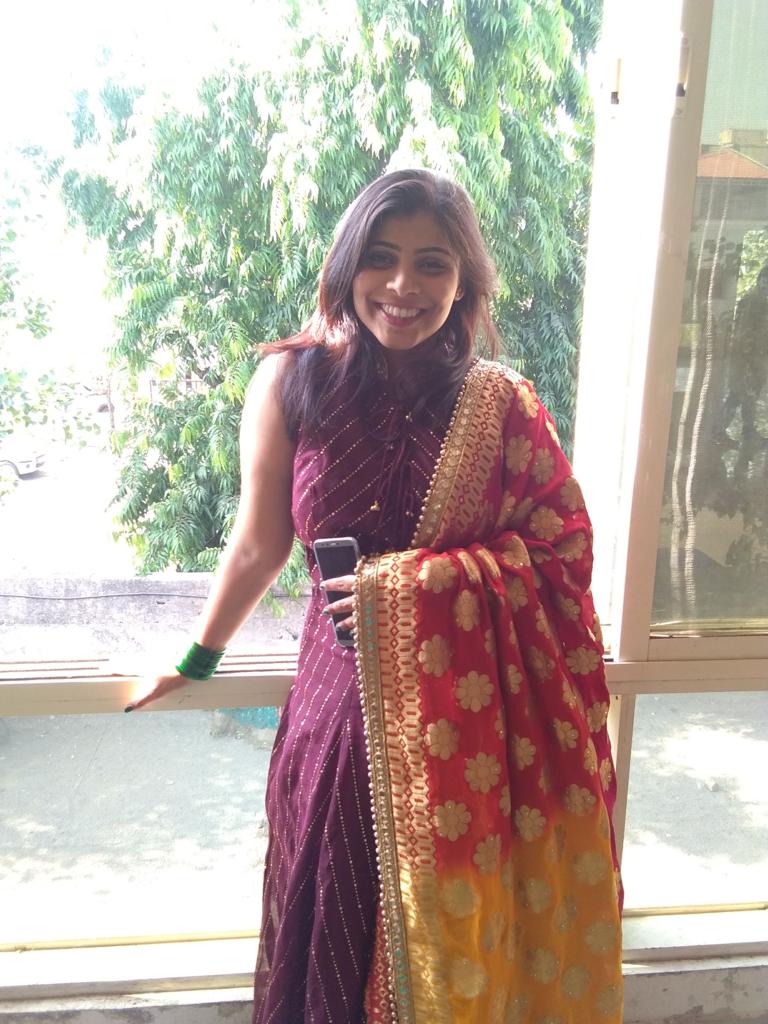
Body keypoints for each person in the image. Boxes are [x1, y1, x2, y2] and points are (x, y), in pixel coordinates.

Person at [128, 169, 623, 1024]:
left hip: (464, 735)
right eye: (381, 258)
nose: (402, 286)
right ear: (348, 263)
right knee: (329, 928)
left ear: (463, 281)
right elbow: (258, 542)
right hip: (336, 719)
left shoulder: (500, 404)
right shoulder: (292, 381)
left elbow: (561, 551)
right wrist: (196, 659)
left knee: (449, 949)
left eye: (432, 264)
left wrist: (418, 589)